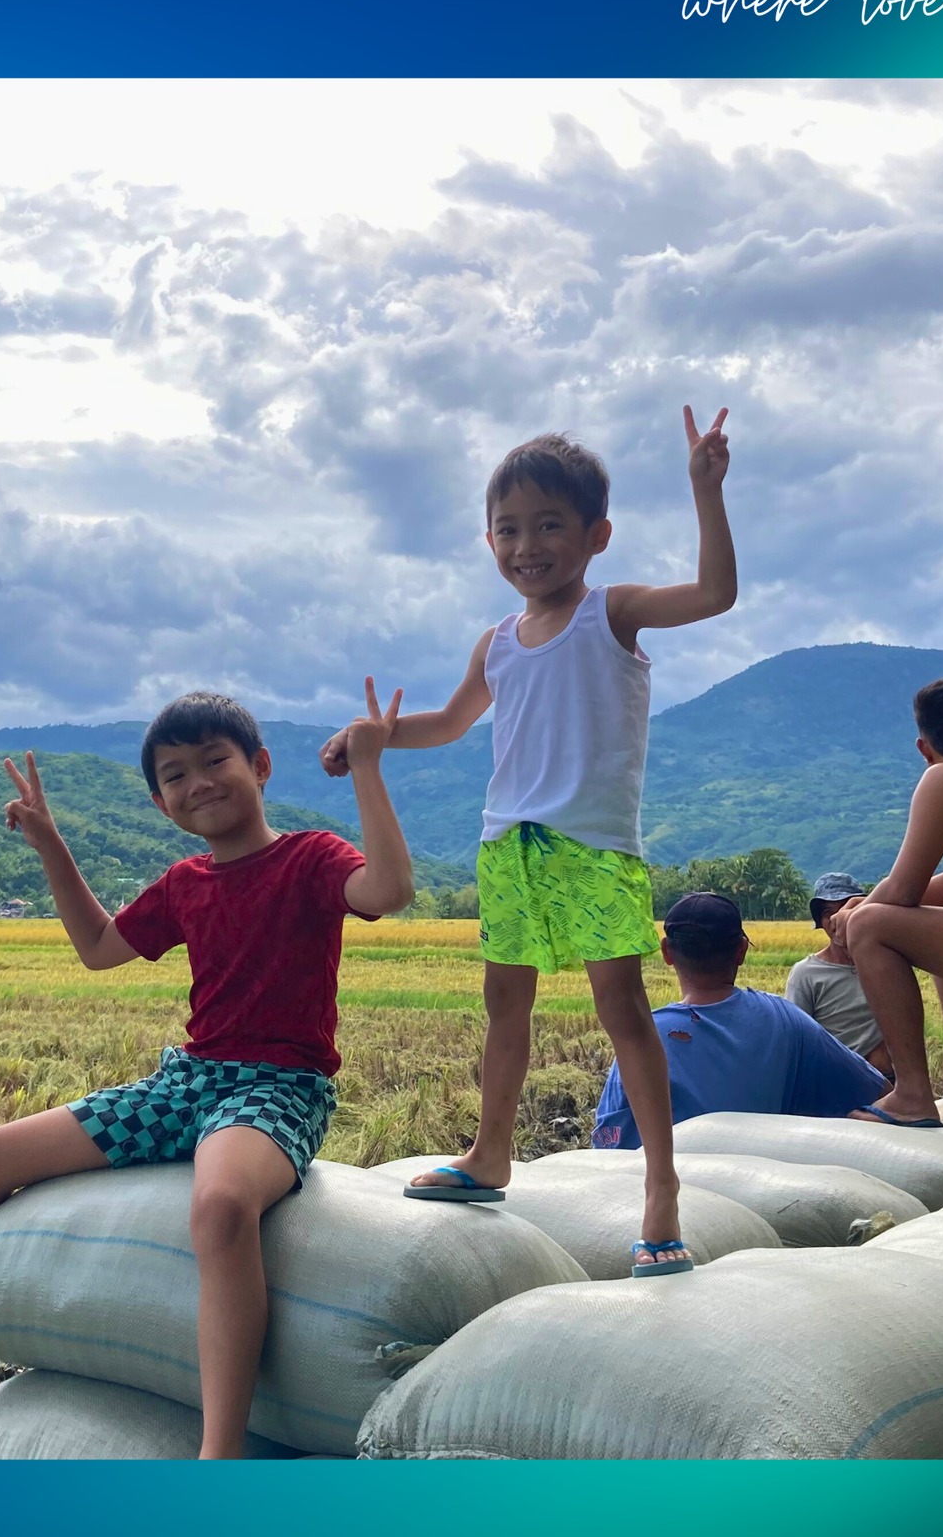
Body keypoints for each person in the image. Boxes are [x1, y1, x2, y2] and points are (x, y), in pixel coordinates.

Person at [0, 687, 414, 1457]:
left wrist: (367, 769)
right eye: (176, 774)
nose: (200, 783)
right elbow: (99, 946)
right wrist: (51, 842)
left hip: (277, 1085)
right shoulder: (187, 883)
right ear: (161, 803)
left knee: (220, 1207)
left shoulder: (311, 857)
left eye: (215, 761)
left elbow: (387, 891)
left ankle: (218, 1458)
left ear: (259, 766)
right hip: (185, 1082)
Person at [321, 411, 736, 1273]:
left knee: (621, 1009)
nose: (527, 544)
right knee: (504, 1005)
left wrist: (705, 489)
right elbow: (446, 722)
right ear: (488, 539)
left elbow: (714, 596)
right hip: (507, 842)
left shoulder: (609, 614)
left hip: (591, 845)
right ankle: (491, 1151)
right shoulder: (498, 642)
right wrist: (373, 737)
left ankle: (661, 1187)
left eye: (550, 524)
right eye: (509, 528)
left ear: (597, 535)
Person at [591, 892, 886, 1148]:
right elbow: (878, 1091)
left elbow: (609, 1143)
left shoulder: (641, 1039)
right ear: (741, 950)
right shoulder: (786, 1020)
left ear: (667, 952)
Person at [842, 675, 943, 1129]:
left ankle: (910, 1095)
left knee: (871, 929)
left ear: (924, 749)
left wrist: (856, 915)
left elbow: (904, 891)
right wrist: (869, 902)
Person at [784, 872, 893, 1079]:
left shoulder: (889, 963)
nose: (837, 919)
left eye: (847, 908)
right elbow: (796, 1040)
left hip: (891, 1079)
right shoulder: (806, 973)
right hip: (836, 1081)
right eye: (827, 912)